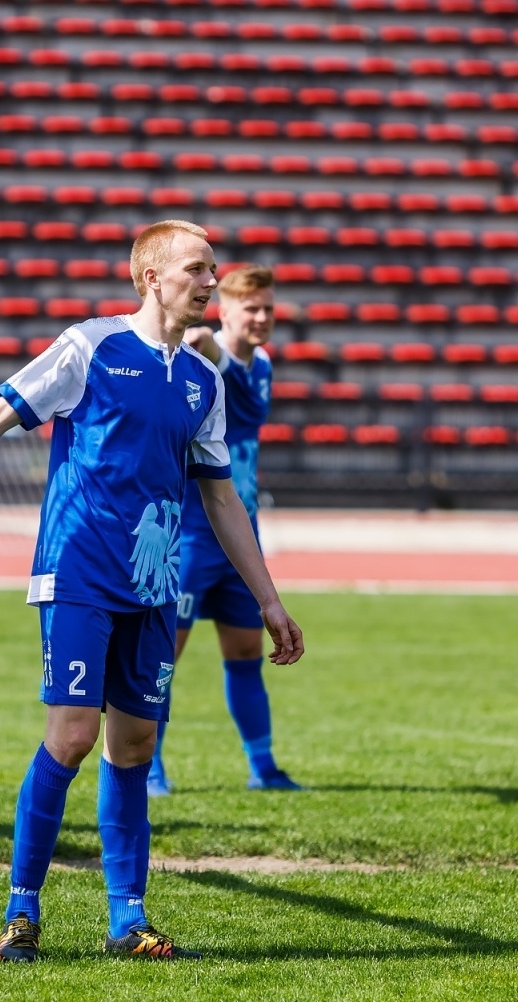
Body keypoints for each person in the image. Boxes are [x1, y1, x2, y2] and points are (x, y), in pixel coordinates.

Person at [0, 220, 305, 963]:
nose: (210, 281)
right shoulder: (91, 346)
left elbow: (222, 497)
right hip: (78, 572)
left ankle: (128, 919)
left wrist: (269, 599)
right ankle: (21, 910)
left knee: (135, 745)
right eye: (197, 269)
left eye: (213, 269)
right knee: (72, 737)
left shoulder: (204, 380)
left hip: (153, 584)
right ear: (151, 278)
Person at [148, 264, 301, 795]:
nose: (261, 317)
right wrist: (196, 340)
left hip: (242, 539)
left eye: (268, 308)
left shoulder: (263, 363)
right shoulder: (212, 353)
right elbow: (204, 345)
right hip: (191, 536)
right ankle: (148, 765)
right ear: (226, 311)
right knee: (162, 659)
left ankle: (264, 767)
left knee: (245, 654)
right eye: (250, 308)